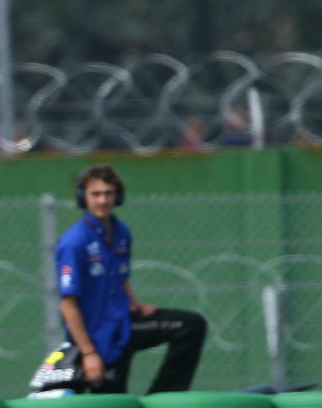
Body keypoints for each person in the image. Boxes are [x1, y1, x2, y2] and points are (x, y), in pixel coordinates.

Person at [28, 165, 207, 396]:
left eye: (108, 193)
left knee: (190, 325)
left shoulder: (122, 232)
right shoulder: (74, 242)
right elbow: (68, 304)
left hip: (124, 324)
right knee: (113, 405)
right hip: (97, 338)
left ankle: (163, 400)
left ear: (118, 196)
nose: (103, 200)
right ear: (84, 197)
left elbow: (121, 276)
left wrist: (134, 303)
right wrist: (89, 353)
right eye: (96, 194)